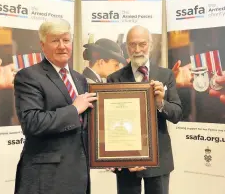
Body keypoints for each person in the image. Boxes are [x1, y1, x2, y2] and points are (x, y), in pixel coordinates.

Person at [13, 20, 97, 194]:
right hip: (45, 178)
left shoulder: (79, 79)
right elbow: (32, 123)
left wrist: (109, 156)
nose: (62, 46)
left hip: (78, 175)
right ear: (43, 45)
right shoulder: (28, 77)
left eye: (66, 40)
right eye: (55, 41)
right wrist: (74, 109)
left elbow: (86, 125)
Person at [107, 25, 183, 194]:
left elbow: (177, 114)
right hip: (127, 160)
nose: (137, 49)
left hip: (159, 159)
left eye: (142, 44)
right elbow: (110, 122)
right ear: (127, 47)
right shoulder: (114, 78)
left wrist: (160, 103)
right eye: (132, 45)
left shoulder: (166, 75)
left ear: (151, 45)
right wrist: (120, 157)